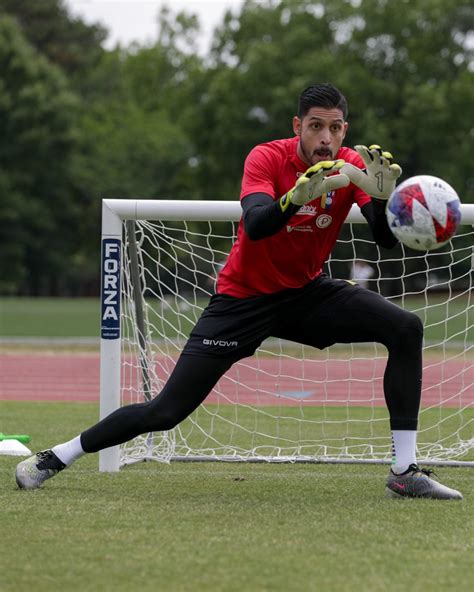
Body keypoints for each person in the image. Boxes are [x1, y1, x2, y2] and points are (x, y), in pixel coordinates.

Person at [16, 83, 462, 500]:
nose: (325, 138)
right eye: (315, 127)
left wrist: (381, 197)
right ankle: (58, 455)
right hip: (243, 300)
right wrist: (296, 198)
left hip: (307, 294)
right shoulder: (266, 158)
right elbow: (257, 223)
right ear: (297, 127)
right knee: (165, 411)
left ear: (345, 128)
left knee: (405, 327)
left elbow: (384, 239)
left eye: (335, 127)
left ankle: (403, 473)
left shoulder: (353, 162)